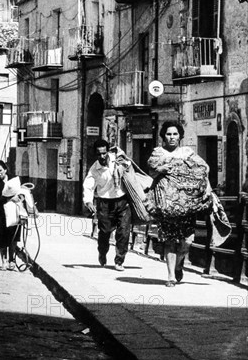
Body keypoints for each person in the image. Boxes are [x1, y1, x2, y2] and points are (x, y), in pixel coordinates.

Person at [147, 121, 212, 287]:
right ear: (163, 136)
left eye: (175, 134)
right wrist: (160, 169)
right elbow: (151, 170)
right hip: (167, 205)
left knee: (187, 241)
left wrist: (207, 190)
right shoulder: (158, 153)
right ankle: (170, 276)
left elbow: (203, 169)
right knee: (169, 240)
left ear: (180, 136)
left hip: (187, 206)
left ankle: (178, 264)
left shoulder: (187, 153)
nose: (172, 137)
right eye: (169, 134)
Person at [83, 139, 132, 271]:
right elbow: (88, 186)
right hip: (104, 203)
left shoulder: (116, 160)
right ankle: (102, 252)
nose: (102, 156)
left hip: (122, 200)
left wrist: (123, 163)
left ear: (107, 152)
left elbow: (128, 164)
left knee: (124, 231)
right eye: (99, 154)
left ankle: (119, 260)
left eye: (104, 153)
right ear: (96, 154)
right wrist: (88, 201)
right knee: (104, 232)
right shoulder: (94, 169)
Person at [0, 160, 20, 271]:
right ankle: (4, 261)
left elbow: (20, 191)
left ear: (5, 170)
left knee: (13, 237)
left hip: (13, 212)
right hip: (0, 214)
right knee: (1, 238)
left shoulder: (13, 179)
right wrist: (9, 198)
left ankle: (12, 260)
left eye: (0, 170)